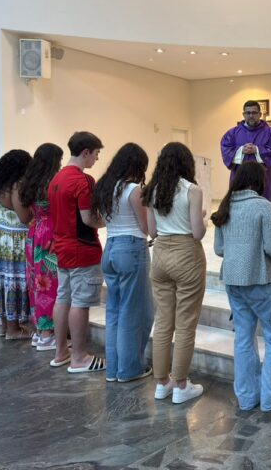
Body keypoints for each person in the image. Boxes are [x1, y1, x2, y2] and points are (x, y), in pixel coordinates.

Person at [211, 161, 271, 412]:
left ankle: (247, 397)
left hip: (233, 281)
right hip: (261, 280)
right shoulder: (263, 206)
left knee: (244, 338)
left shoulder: (225, 206)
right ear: (260, 182)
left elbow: (219, 249)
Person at [144, 142, 207, 404]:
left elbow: (152, 231)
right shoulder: (192, 190)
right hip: (186, 255)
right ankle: (181, 385)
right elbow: (197, 233)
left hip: (160, 255)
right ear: (186, 162)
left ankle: (162, 383)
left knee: (163, 322)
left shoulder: (152, 190)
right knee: (185, 323)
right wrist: (203, 217)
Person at [92, 143, 154, 383]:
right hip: (131, 249)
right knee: (134, 312)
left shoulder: (106, 187)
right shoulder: (134, 190)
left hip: (110, 248)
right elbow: (145, 227)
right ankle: (130, 369)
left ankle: (114, 369)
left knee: (115, 312)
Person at [48, 131, 106, 373]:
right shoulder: (83, 181)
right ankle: (79, 357)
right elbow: (88, 218)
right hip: (82, 250)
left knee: (63, 298)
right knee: (80, 303)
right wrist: (107, 221)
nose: (97, 159)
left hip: (62, 248)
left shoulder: (57, 178)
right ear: (86, 152)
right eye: (96, 154)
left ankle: (61, 351)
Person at [14, 143, 64, 351]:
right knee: (50, 284)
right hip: (51, 235)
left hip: (34, 234)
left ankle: (40, 331)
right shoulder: (53, 183)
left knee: (36, 282)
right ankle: (47, 335)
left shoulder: (27, 183)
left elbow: (25, 216)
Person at [0, 149, 33, 339]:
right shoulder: (17, 185)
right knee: (13, 280)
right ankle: (13, 330)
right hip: (13, 242)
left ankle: (6, 327)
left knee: (1, 281)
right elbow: (23, 216)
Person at [220, 100, 271, 218]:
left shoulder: (270, 133)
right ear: (243, 114)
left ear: (260, 114)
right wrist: (240, 150)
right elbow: (226, 149)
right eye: (248, 113)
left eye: (254, 113)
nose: (251, 115)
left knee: (263, 207)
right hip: (239, 176)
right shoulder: (232, 133)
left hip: (263, 178)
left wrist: (257, 150)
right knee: (239, 210)